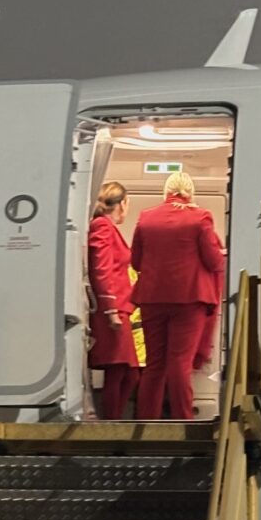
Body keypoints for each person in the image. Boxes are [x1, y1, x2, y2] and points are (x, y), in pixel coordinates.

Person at [130, 171, 225, 419]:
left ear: (166, 192)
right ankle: (183, 420)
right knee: (179, 364)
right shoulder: (200, 217)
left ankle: (146, 421)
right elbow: (214, 261)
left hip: (152, 299)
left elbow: (136, 262)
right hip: (189, 299)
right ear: (190, 193)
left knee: (154, 365)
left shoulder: (146, 218)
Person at [87, 181, 141, 419]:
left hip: (120, 308)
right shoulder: (103, 227)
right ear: (122, 203)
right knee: (120, 371)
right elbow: (101, 269)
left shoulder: (106, 227)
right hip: (113, 310)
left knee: (125, 372)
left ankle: (114, 418)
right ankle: (112, 420)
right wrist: (110, 310)